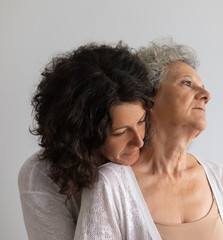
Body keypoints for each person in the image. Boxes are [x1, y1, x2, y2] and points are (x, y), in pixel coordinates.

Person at [75, 39, 223, 239]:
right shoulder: (111, 184)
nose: (206, 95)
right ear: (149, 98)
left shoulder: (220, 178)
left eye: (202, 86)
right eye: (187, 83)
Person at [18, 42, 154, 240]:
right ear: (84, 134)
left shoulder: (151, 148)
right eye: (120, 132)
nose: (139, 141)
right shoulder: (40, 176)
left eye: (141, 121)